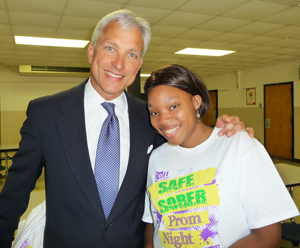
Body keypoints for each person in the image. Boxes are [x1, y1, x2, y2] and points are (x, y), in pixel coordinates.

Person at [0, 10, 249, 248]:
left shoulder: (152, 119)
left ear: (139, 63)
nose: (119, 64)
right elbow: (13, 196)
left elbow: (189, 152)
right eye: (110, 48)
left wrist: (223, 135)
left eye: (132, 54)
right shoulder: (46, 113)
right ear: (91, 52)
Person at [142, 64, 299, 248]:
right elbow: (153, 224)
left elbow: (268, 236)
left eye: (174, 106)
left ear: (195, 102)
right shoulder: (157, 157)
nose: (163, 120)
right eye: (154, 112)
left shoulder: (238, 145)